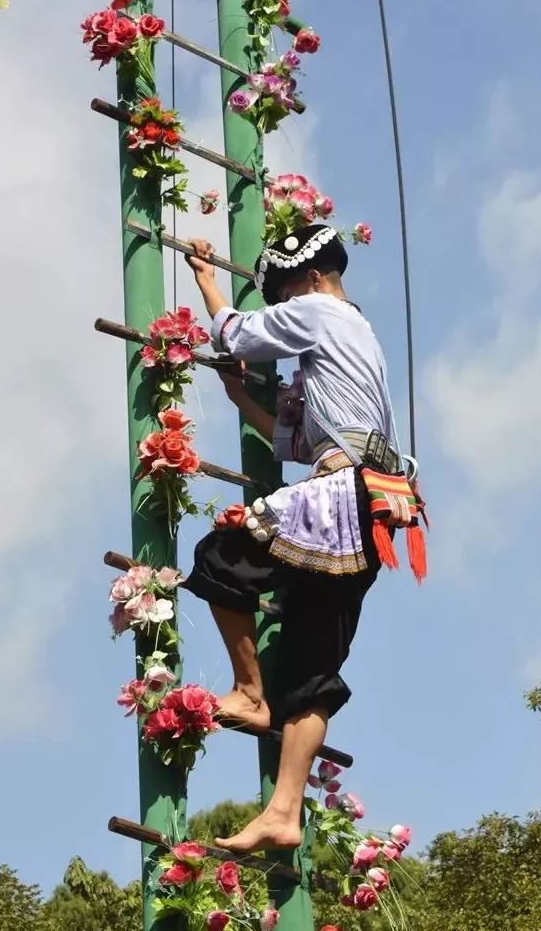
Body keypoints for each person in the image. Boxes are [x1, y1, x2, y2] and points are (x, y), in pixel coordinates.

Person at [181, 223, 406, 854]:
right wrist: (241, 398)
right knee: (312, 665)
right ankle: (285, 811)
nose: (281, 306)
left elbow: (238, 335)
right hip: (380, 505)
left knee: (222, 557)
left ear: (309, 279)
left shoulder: (317, 311)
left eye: (282, 292)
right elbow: (302, 439)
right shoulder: (360, 338)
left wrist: (207, 282)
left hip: (342, 496)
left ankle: (251, 692)